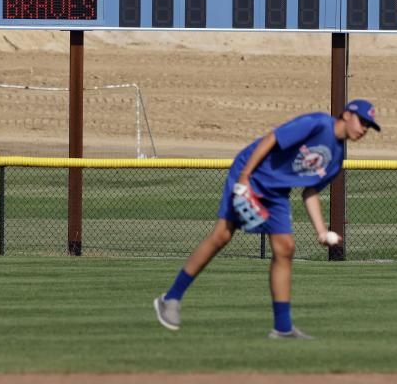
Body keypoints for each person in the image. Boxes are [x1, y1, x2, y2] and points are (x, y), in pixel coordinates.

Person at [153, 99, 380, 339]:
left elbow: (310, 191)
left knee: (285, 248)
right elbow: (271, 139)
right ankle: (171, 299)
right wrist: (244, 177)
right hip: (251, 173)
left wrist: (321, 231)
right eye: (363, 121)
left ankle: (283, 328)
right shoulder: (317, 124)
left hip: (277, 191)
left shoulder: (336, 159)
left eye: (369, 126)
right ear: (346, 115)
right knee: (222, 235)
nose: (364, 129)